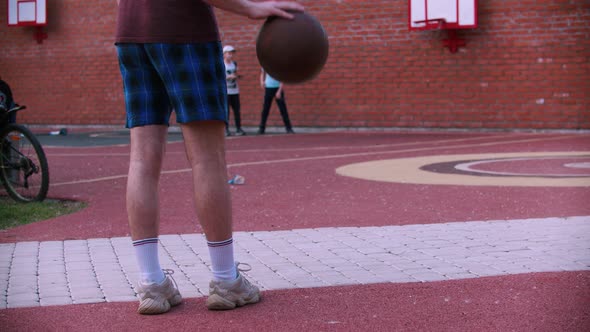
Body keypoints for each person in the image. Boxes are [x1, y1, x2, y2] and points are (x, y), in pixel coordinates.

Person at [114, 0, 304, 314]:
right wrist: (250, 7)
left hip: (131, 31)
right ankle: (226, 280)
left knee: (141, 160)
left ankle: (151, 283)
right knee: (207, 158)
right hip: (183, 29)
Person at [258, 70, 294, 134]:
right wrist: (262, 81)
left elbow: (283, 78)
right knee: (265, 109)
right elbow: (262, 73)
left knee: (283, 109)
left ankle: (288, 128)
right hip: (268, 88)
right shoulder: (265, 64)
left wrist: (279, 91)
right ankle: (261, 128)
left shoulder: (278, 64)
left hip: (277, 88)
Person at [223, 45, 246, 136]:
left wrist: (236, 76)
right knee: (226, 111)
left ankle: (238, 128)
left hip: (235, 91)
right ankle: (226, 129)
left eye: (232, 53)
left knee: (237, 110)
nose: (231, 55)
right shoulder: (222, 65)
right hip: (226, 92)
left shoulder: (234, 64)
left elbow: (236, 73)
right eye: (229, 53)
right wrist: (229, 77)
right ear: (224, 54)